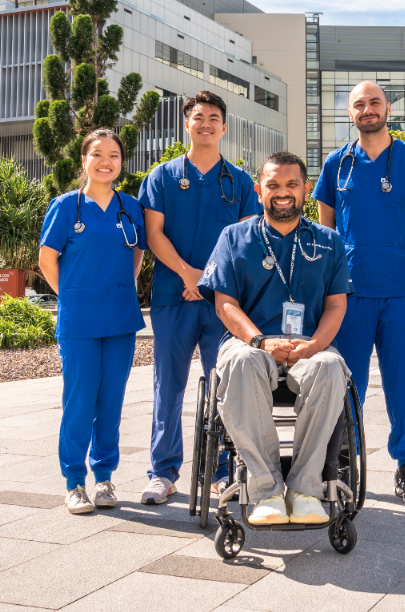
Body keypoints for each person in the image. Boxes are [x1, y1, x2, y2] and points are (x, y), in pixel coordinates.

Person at [197, 151, 352, 524]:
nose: (282, 192)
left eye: (291, 184)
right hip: (251, 341)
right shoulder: (234, 238)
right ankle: (265, 488)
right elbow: (225, 305)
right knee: (239, 362)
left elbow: (336, 305)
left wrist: (315, 345)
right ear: (259, 190)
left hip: (308, 344)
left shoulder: (329, 241)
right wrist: (259, 342)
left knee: (332, 367)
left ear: (306, 189)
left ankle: (305, 489)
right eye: (273, 185)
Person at [314, 81, 405, 505]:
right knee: (349, 383)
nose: (367, 109)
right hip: (350, 293)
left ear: (388, 108)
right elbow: (326, 228)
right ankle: (344, 461)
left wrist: (400, 257)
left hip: (399, 291)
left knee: (402, 382)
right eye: (359, 104)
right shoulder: (336, 164)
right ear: (351, 113)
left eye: (374, 102)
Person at [138, 91, 261, 504]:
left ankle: (220, 472)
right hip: (174, 296)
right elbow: (153, 233)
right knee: (167, 387)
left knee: (225, 387)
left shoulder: (241, 182)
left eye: (213, 117)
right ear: (186, 125)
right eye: (197, 117)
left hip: (222, 303)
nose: (205, 123)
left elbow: (245, 243)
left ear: (224, 127)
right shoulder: (161, 177)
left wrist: (207, 280)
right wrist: (188, 274)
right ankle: (163, 472)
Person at [39, 129, 147, 514]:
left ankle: (104, 478)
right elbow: (47, 260)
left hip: (120, 316)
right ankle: (73, 482)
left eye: (114, 155)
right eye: (98, 154)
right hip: (80, 319)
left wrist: (123, 286)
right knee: (80, 400)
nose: (106, 161)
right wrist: (72, 294)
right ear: (83, 160)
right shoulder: (67, 206)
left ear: (121, 162)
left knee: (112, 401)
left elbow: (137, 254)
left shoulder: (130, 207)